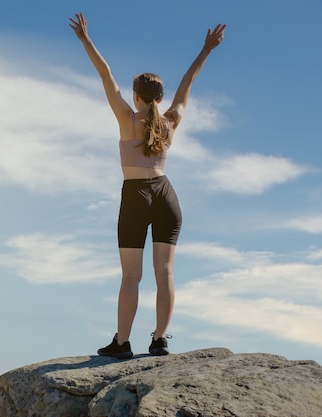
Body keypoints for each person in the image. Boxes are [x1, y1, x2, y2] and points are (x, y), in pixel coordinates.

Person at [69, 12, 226, 358]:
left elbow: (105, 75)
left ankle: (122, 342)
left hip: (136, 196)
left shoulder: (127, 118)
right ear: (158, 97)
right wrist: (206, 50)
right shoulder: (171, 121)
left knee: (130, 277)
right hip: (166, 195)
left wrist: (85, 40)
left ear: (136, 96)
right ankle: (159, 339)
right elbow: (187, 83)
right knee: (165, 272)